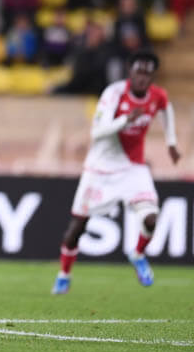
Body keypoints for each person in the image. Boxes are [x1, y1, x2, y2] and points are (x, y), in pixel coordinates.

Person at [53, 50, 180, 295]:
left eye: (147, 73)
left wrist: (171, 142)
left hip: (133, 167)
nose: (142, 77)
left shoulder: (158, 96)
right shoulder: (114, 93)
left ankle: (138, 254)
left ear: (153, 76)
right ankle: (64, 275)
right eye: (138, 71)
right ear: (129, 71)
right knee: (76, 228)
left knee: (151, 218)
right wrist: (125, 120)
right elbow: (97, 131)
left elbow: (167, 111)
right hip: (100, 168)